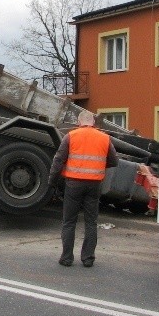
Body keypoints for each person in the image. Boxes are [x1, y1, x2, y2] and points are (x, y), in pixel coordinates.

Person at [48, 110, 118, 267]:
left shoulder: (71, 136)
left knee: (69, 221)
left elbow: (58, 160)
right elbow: (114, 161)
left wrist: (52, 181)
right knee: (91, 222)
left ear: (79, 122)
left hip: (73, 184)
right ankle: (88, 258)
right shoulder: (104, 138)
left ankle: (66, 258)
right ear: (93, 122)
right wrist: (98, 166)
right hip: (94, 185)